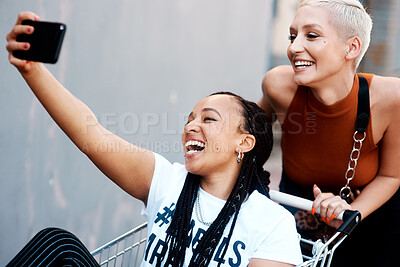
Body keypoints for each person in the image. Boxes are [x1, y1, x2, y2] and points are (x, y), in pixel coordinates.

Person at [6, 11, 303, 267]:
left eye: (209, 118)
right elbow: (91, 134)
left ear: (244, 143)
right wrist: (32, 70)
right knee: (58, 245)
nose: (191, 127)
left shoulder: (271, 224)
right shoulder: (167, 182)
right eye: (190, 119)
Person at [258, 0, 400, 266]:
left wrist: (349, 211)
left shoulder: (391, 97)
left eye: (311, 35)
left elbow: (392, 175)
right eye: (292, 35)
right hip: (299, 214)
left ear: (352, 47)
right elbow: (244, 145)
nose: (293, 47)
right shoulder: (277, 86)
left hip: (373, 219)